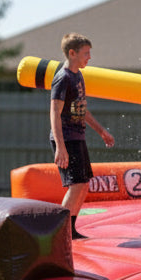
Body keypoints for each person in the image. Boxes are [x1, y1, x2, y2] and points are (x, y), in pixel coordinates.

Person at [49, 33, 115, 237]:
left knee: (84, 184)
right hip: (66, 138)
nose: (89, 57)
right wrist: (60, 146)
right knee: (76, 185)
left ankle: (71, 228)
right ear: (72, 53)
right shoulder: (63, 78)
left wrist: (101, 130)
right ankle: (60, 232)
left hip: (77, 136)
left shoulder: (78, 76)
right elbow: (54, 112)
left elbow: (82, 109)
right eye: (86, 53)